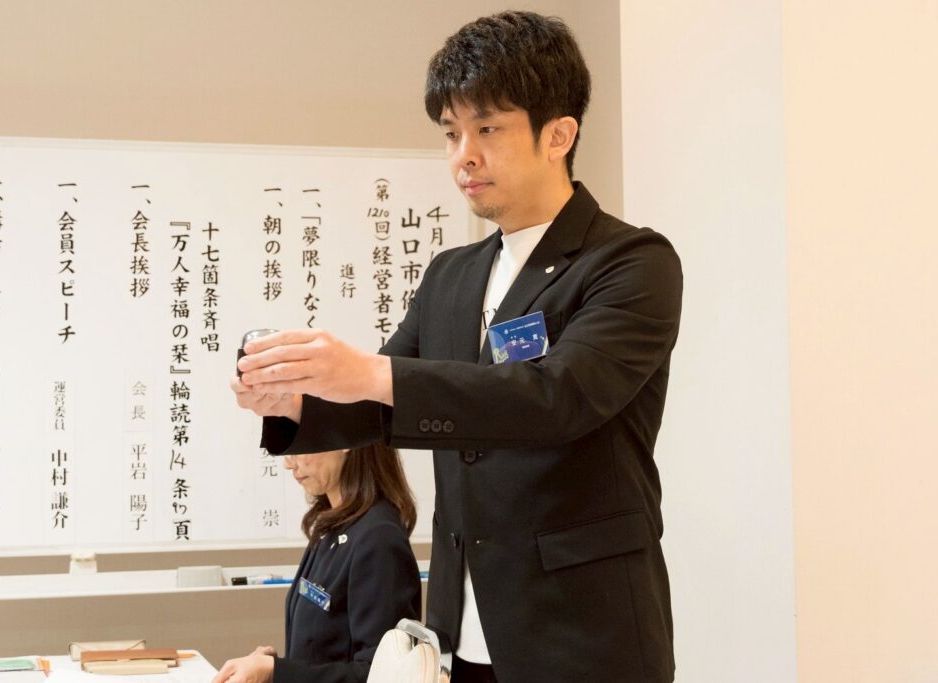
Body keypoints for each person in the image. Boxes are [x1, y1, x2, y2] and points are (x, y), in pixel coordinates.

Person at [231, 10, 682, 683]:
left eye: (487, 129)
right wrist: (291, 401)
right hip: (461, 632)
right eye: (450, 133)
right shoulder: (452, 275)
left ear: (559, 135)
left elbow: (557, 396)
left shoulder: (630, 262)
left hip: (584, 632)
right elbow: (380, 405)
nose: (462, 155)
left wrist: (369, 372)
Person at [212, 442, 421, 683]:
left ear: (346, 440)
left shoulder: (378, 538)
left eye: (300, 446)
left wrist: (277, 672)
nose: (289, 463)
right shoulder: (331, 526)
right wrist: (273, 667)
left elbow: (381, 674)